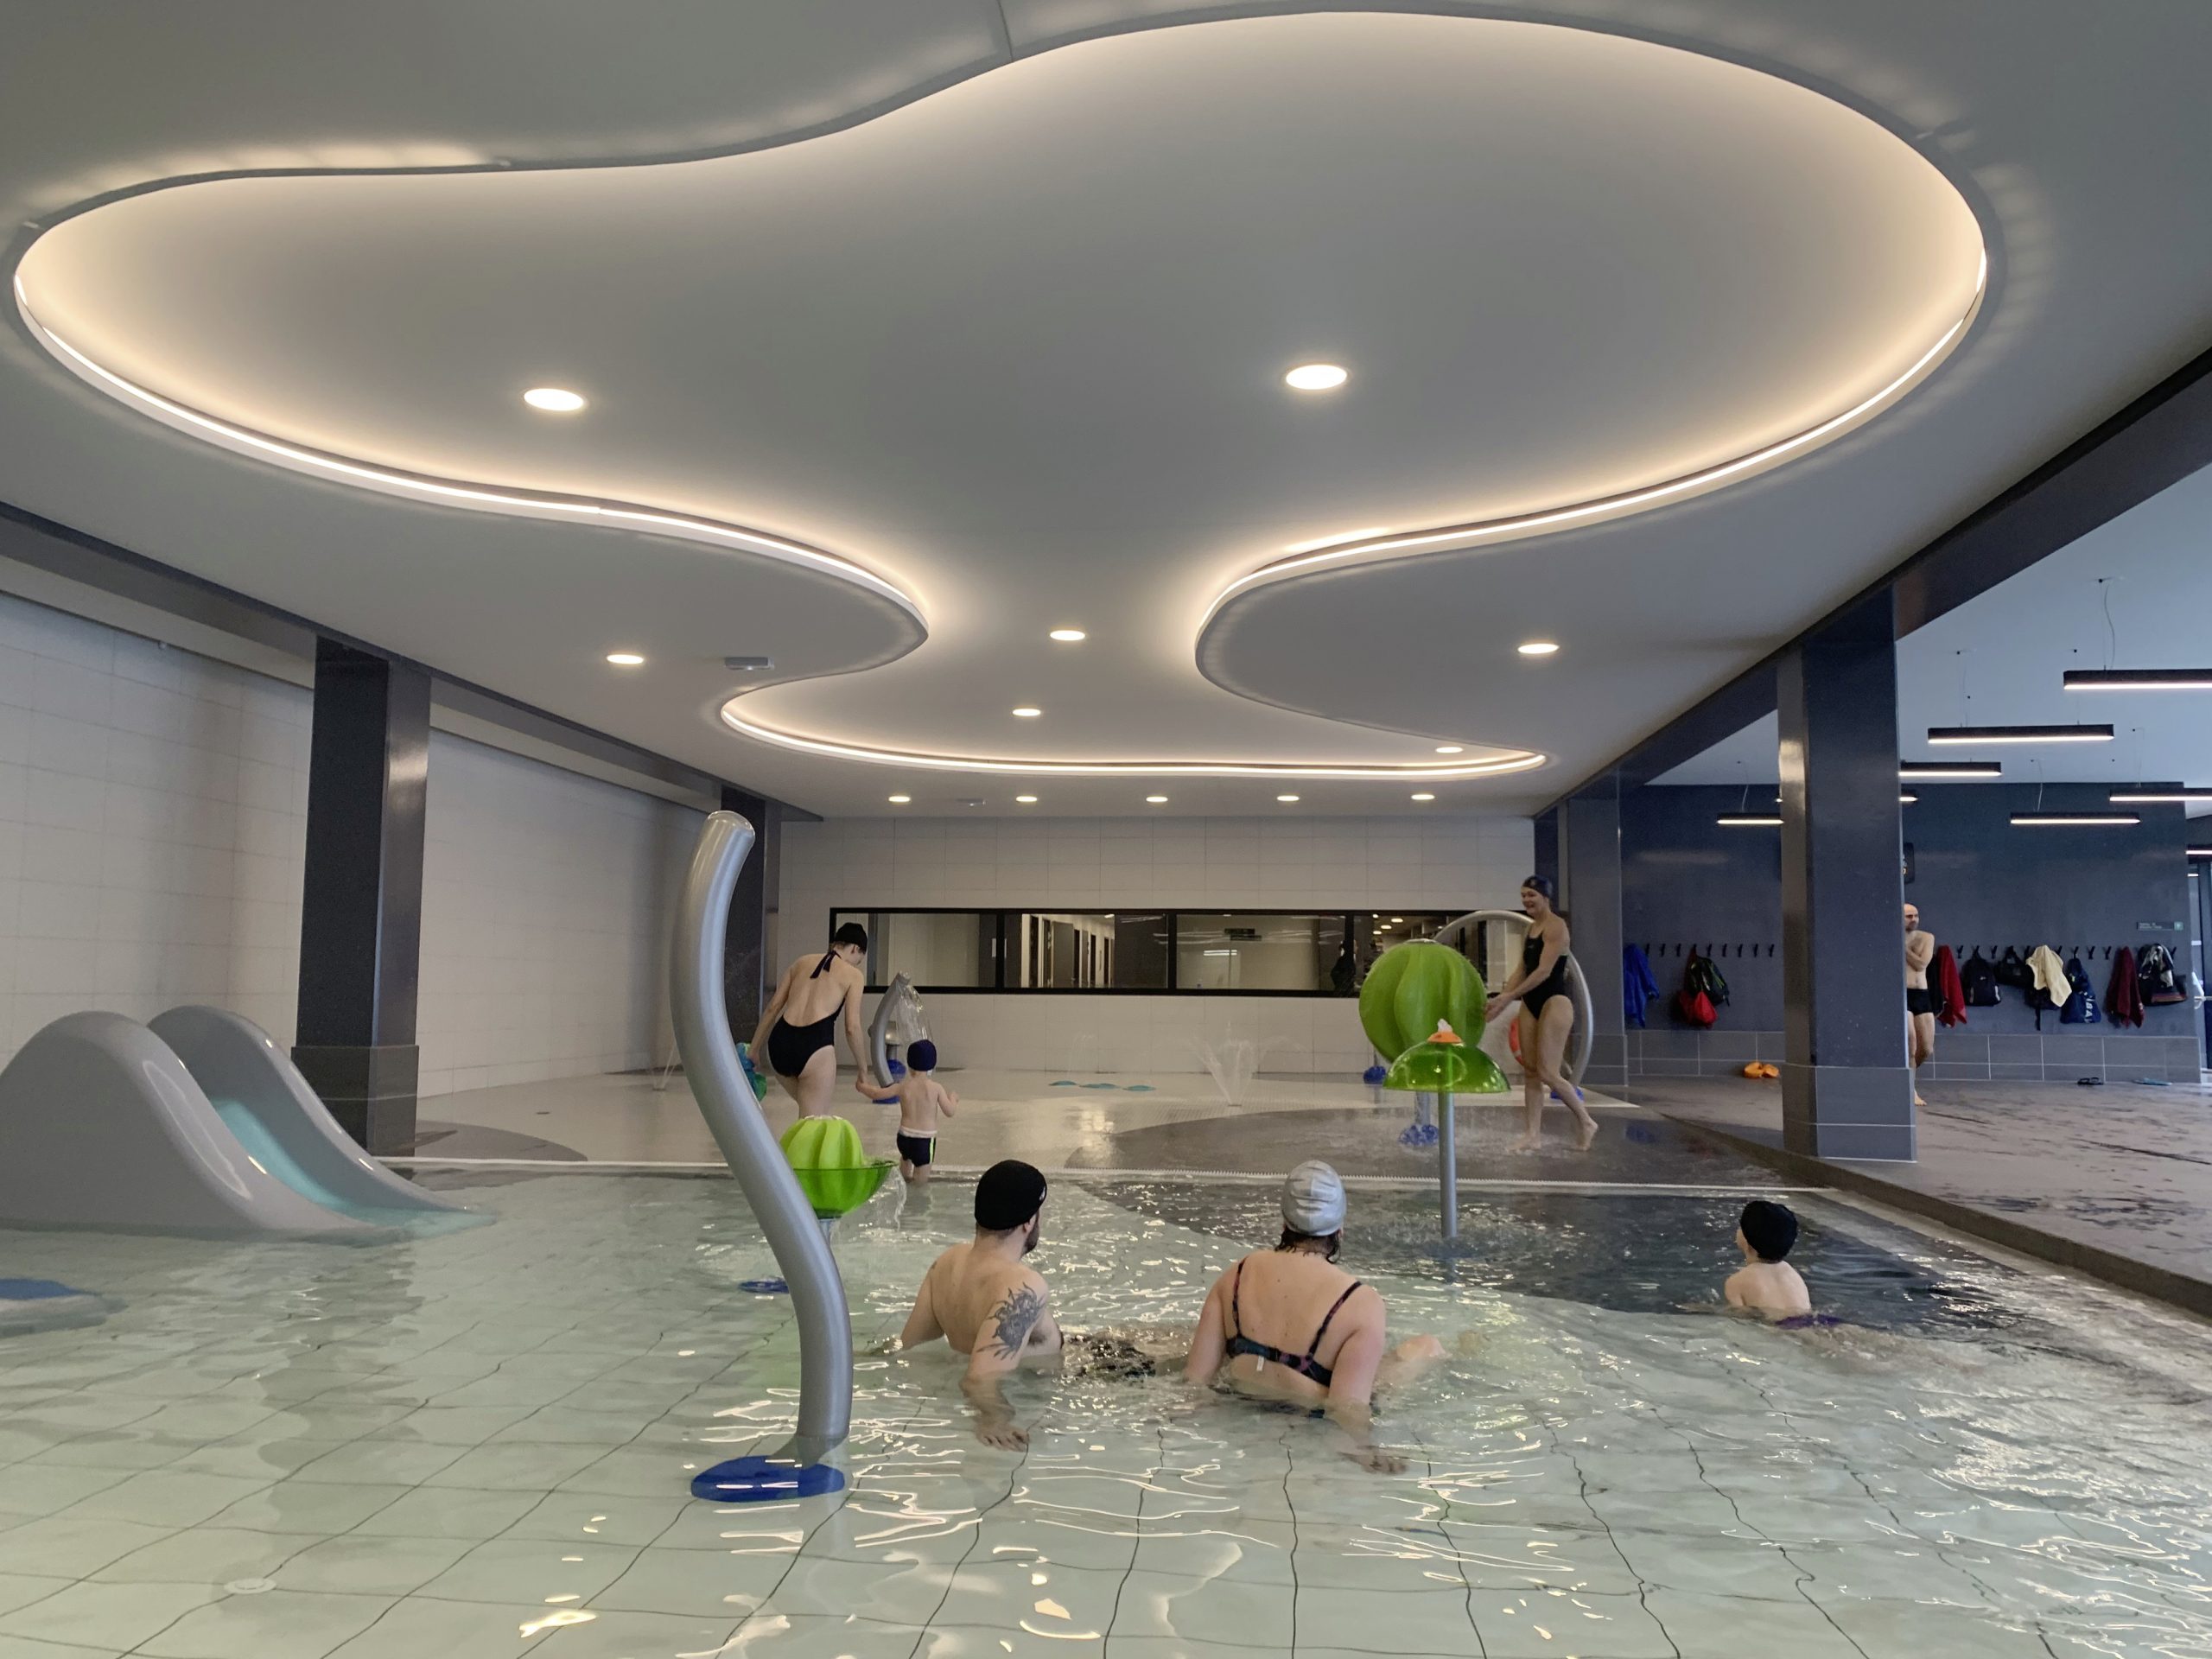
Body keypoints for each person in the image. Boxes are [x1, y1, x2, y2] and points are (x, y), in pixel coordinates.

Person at [1185, 1160, 1445, 1471]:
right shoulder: (1361, 1302)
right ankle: (1470, 1345)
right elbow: (1347, 1409)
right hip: (1312, 1413)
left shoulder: (1236, 1275)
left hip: (1243, 1398)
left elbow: (1195, 1382)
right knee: (1428, 1347)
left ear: (1285, 1222)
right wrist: (1365, 1453)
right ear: (1339, 1228)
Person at [890, 1160, 1061, 1449]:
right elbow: (979, 1377)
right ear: (1029, 1222)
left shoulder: (948, 1262)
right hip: (1048, 1380)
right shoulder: (1024, 1286)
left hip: (1028, 1372)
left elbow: (910, 1344)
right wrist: (994, 1418)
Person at [1484, 875, 1599, 1152]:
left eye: (1531, 895)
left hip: (1555, 1002)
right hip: (1531, 1003)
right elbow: (1522, 970)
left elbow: (1544, 971)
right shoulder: (1531, 928)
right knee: (1532, 1072)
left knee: (1548, 1072)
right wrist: (1502, 999)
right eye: (1523, 895)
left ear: (1546, 898)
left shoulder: (1556, 926)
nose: (1526, 900)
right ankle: (1532, 1134)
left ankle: (1586, 1121)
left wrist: (1511, 996)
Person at [753, 921, 874, 1117]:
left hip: (779, 1044)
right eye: (858, 960)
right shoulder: (854, 976)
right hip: (815, 1047)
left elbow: (773, 1007)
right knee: (813, 1121)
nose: (855, 965)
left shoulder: (801, 962)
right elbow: (852, 1027)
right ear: (855, 949)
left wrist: (754, 1049)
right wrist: (863, 1068)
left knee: (811, 1110)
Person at [855, 1038, 958, 1184]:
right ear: (932, 1063)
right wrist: (953, 1098)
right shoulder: (935, 1088)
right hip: (924, 1141)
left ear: (909, 1063)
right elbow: (950, 1111)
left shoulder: (903, 1086)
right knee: (920, 1181)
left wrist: (862, 1087)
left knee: (905, 1170)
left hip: (904, 1138)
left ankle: (903, 1187)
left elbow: (876, 1094)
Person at [1723, 1199, 1812, 1321]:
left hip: (1776, 1328)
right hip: (1808, 1323)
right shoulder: (1793, 1274)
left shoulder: (1736, 1282)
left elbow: (1739, 1319)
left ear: (1746, 1240)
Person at [1904, 903, 1936, 1108]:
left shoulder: (1926, 937)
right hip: (1903, 994)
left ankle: (1907, 1077)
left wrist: (1901, 946)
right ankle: (1910, 1088)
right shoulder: (1889, 939)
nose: (1914, 919)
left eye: (1916, 915)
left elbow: (1921, 964)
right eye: (1908, 916)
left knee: (1926, 1048)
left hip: (1921, 994)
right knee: (1911, 1044)